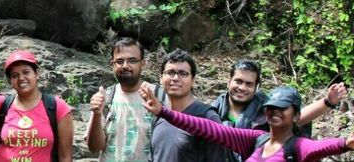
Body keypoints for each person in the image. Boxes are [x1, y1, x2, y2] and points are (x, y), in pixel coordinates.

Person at [140, 84, 354, 162]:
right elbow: (208, 128)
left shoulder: (296, 147)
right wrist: (164, 112)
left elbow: (320, 147)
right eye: (271, 106)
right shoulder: (255, 140)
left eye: (282, 107)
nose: (274, 111)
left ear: (296, 116)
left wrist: (345, 142)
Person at [211, 60, 348, 162]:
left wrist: (328, 102)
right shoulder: (213, 111)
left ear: (256, 87)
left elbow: (298, 118)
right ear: (229, 82)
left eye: (249, 84)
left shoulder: (267, 108)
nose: (242, 87)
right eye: (238, 81)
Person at [86, 37, 159, 162]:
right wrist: (97, 114)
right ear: (112, 64)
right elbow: (94, 147)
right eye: (119, 61)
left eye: (132, 60)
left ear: (143, 63)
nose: (125, 66)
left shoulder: (158, 96)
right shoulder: (106, 97)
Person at [151, 49, 225, 162]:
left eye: (182, 73)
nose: (175, 78)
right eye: (170, 73)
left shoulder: (207, 117)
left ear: (193, 80)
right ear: (161, 78)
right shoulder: (159, 116)